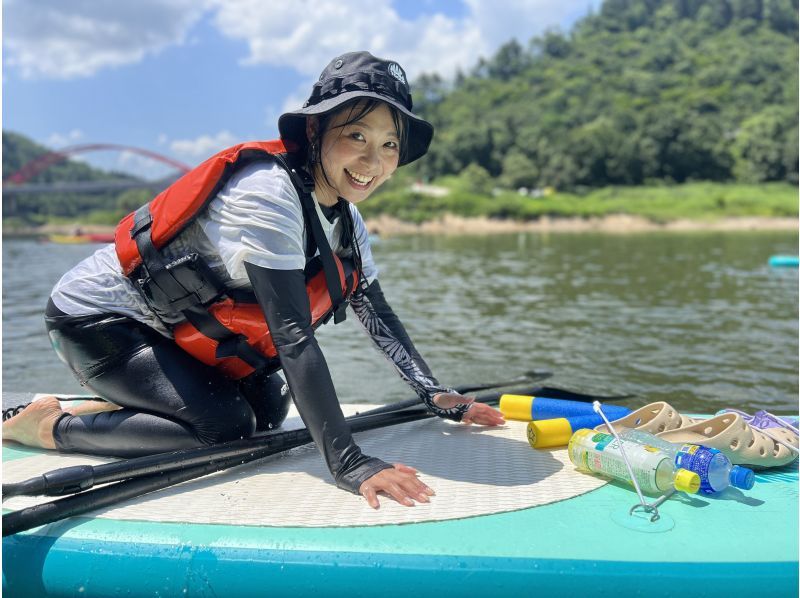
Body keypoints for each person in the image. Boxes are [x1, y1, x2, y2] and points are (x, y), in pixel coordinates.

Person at [3, 51, 504, 509]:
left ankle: (126, 402)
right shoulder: (269, 194)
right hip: (96, 321)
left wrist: (437, 396)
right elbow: (292, 337)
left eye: (389, 144)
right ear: (315, 132)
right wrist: (350, 463)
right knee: (225, 428)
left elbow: (377, 314)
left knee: (267, 411)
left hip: (167, 329)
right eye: (357, 136)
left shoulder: (346, 221)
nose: (373, 162)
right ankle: (49, 426)